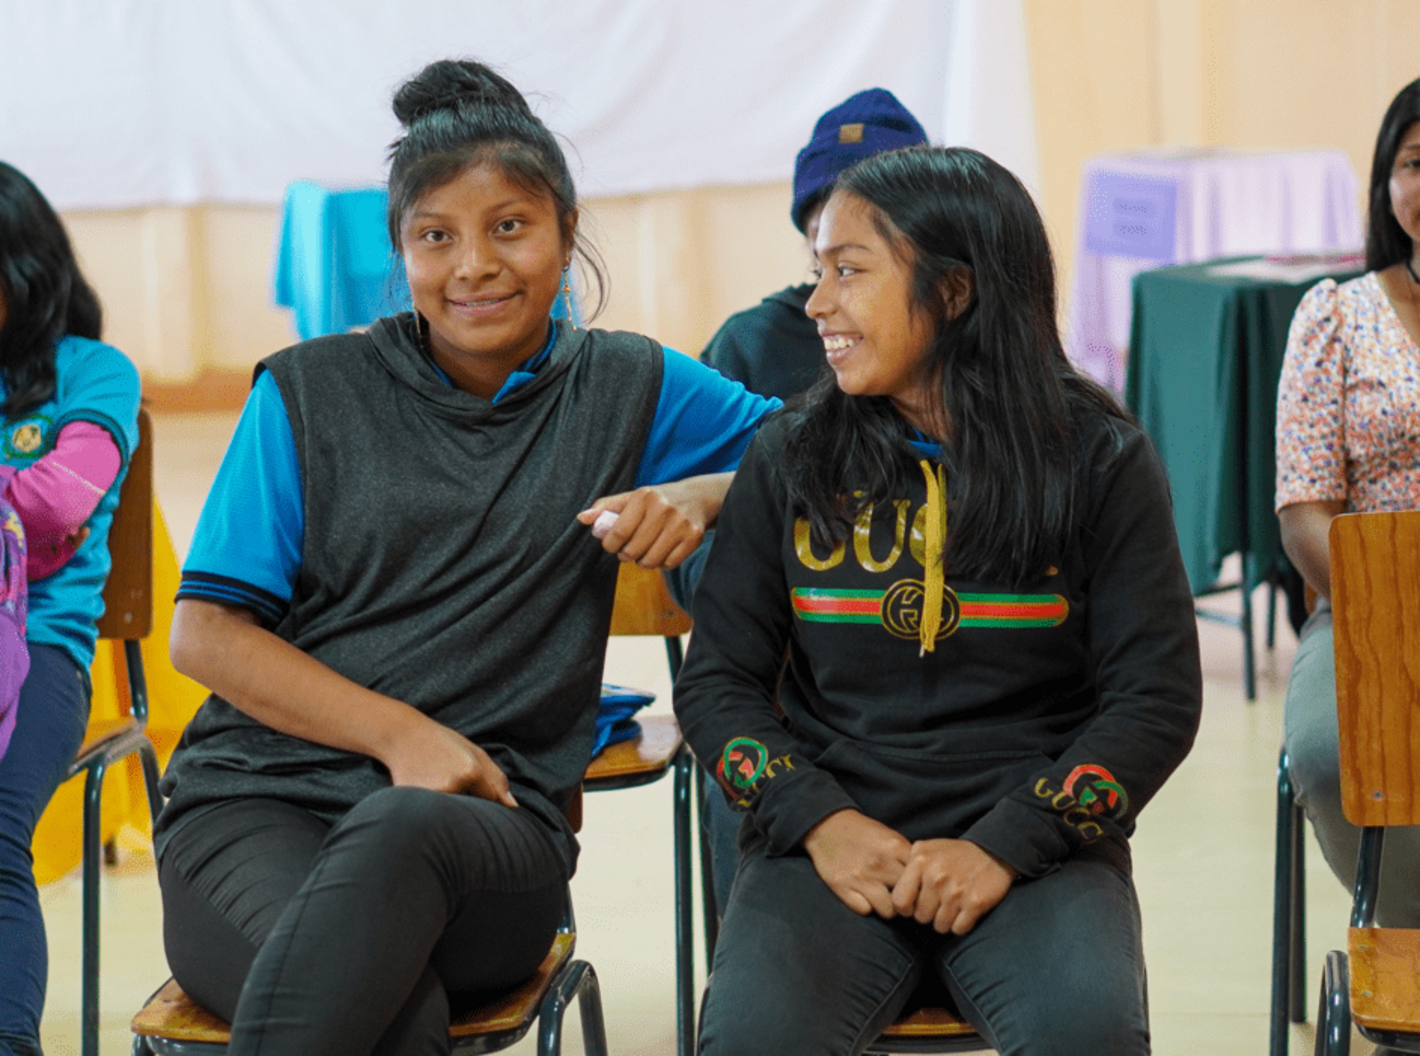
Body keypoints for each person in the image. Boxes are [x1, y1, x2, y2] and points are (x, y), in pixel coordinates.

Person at [153, 59, 777, 1056]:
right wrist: (402, 736)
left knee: (392, 859)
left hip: (487, 825)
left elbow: (837, 450)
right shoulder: (309, 392)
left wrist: (710, 492)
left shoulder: (627, 385)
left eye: (509, 227)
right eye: (435, 236)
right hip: (257, 805)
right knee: (385, 1018)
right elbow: (205, 634)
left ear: (566, 233)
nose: (473, 266)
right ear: (400, 250)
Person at [674, 144, 1202, 1056]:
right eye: (817, 271)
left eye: (848, 272)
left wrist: (1010, 842)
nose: (816, 304)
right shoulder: (790, 455)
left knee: (1088, 1036)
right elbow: (718, 683)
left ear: (954, 292)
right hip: (830, 846)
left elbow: (1154, 700)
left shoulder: (1100, 460)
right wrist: (820, 821)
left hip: (1035, 849)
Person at [672, 89, 928, 919]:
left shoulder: (957, 351)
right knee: (743, 759)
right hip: (785, 678)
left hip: (929, 668)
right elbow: (691, 548)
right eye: (828, 213)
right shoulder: (747, 345)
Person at [0, 161, 141, 1056]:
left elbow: (60, 502)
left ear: (23, 269)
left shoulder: (91, 373)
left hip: (40, 647)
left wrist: (24, 506)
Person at [1276, 76, 1420, 937]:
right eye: (1415, 162)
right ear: (1386, 184)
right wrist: (1389, 600)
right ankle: (1405, 942)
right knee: (1332, 756)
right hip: (1368, 603)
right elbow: (1304, 510)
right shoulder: (1336, 315)